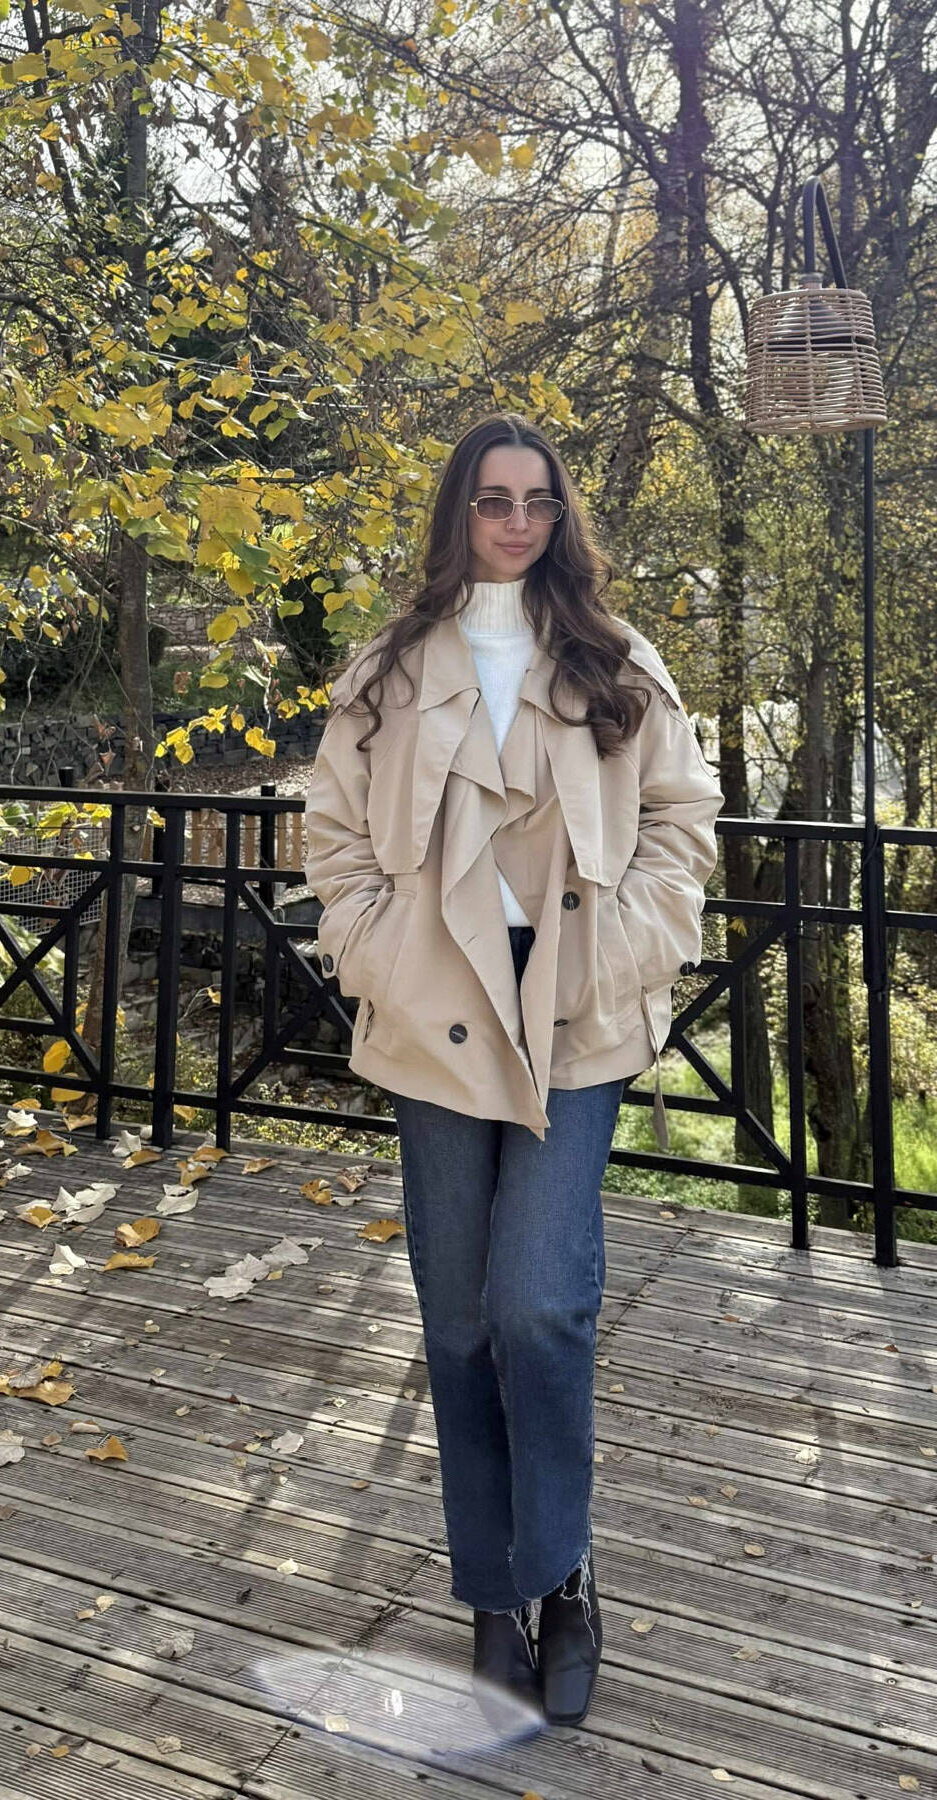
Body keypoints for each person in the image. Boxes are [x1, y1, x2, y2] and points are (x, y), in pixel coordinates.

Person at [303, 412, 724, 1736]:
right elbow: (332, 835)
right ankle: (494, 1593)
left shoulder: (616, 661)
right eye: (495, 500)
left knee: (539, 1302)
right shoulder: (389, 670)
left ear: (562, 515)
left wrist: (620, 953)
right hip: (434, 1017)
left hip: (574, 1019)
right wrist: (383, 953)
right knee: (459, 1321)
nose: (518, 522)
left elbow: (682, 823)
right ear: (459, 511)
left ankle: (563, 1571)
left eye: (540, 501)